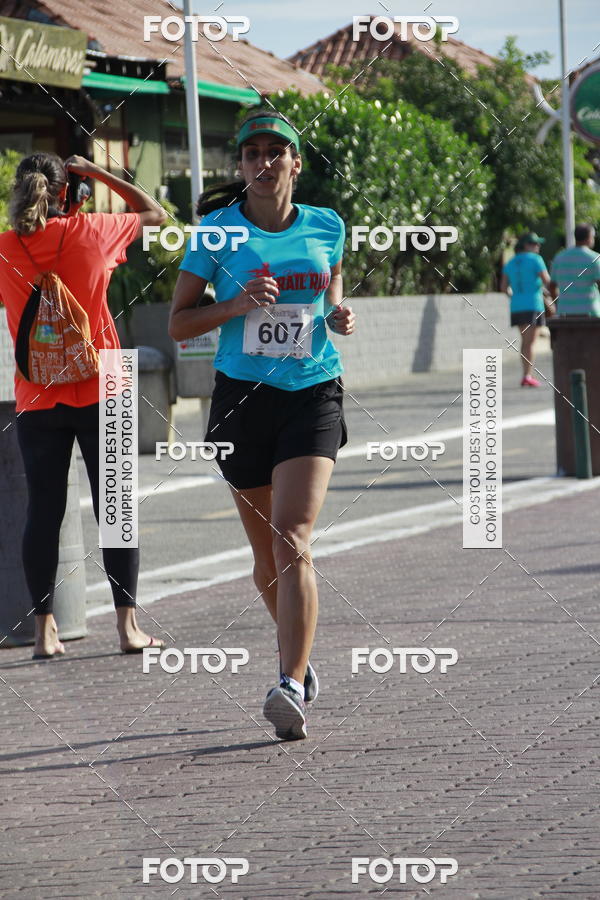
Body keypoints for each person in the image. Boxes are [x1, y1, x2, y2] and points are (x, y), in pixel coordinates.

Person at [169, 109, 355, 741]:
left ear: (295, 164)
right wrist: (237, 305)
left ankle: (289, 679)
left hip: (311, 393)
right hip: (242, 400)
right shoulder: (215, 233)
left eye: (277, 152)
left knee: (293, 536)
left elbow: (329, 293)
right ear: (242, 166)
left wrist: (338, 315)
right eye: (253, 153)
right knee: (264, 558)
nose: (265, 162)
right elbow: (179, 323)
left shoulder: (328, 226)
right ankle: (300, 657)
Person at [0, 152, 167, 659]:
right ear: (68, 193)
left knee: (44, 512)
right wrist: (94, 172)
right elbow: (156, 213)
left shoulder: (6, 247)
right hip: (106, 382)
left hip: (37, 390)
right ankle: (127, 628)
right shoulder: (95, 230)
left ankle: (46, 633)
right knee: (115, 510)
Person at [501, 231, 551, 387]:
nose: (538, 246)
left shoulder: (511, 262)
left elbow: (503, 288)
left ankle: (527, 374)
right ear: (527, 245)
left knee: (525, 341)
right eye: (535, 244)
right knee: (530, 342)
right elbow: (547, 281)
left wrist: (515, 296)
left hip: (517, 305)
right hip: (533, 304)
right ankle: (527, 375)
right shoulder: (536, 259)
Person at [549, 224, 600, 317]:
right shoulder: (595, 258)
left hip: (565, 312)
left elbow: (552, 285)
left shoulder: (559, 257)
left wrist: (559, 305)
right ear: (589, 238)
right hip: (590, 313)